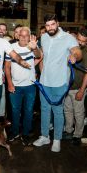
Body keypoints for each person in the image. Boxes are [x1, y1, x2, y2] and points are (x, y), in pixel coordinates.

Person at [33, 14, 82, 153]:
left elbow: (78, 52)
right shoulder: (44, 37)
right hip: (44, 82)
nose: (50, 28)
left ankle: (57, 139)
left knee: (58, 111)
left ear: (57, 23)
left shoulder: (68, 38)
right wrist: (34, 48)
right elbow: (39, 55)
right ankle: (44, 136)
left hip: (60, 82)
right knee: (44, 110)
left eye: (52, 25)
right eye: (47, 25)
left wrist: (75, 56)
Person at [5, 27, 42, 146]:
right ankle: (15, 132)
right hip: (15, 86)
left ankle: (26, 133)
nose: (24, 37)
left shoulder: (32, 46)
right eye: (22, 35)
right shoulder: (11, 48)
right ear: (18, 36)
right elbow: (7, 67)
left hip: (30, 86)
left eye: (26, 35)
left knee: (29, 110)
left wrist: (35, 47)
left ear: (30, 36)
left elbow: (39, 55)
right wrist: (9, 83)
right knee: (15, 110)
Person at [63, 29, 87, 145]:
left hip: (78, 88)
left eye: (83, 41)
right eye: (78, 40)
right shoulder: (70, 49)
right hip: (67, 87)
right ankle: (68, 130)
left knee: (79, 113)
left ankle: (78, 135)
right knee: (67, 111)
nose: (80, 43)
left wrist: (81, 90)